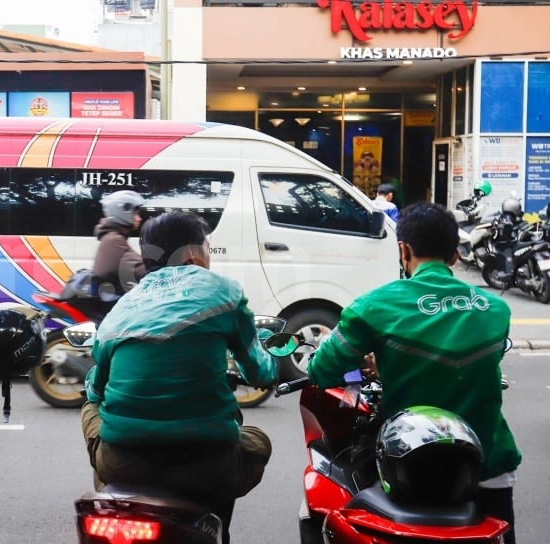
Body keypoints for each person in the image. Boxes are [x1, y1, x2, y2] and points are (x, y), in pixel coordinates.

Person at [307, 202, 521, 543]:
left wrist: (378, 363)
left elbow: (322, 370)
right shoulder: (496, 310)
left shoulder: (373, 306)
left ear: (403, 250)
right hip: (488, 461)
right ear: (455, 255)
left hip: (409, 465)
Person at [81, 210, 277, 543]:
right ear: (192, 254)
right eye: (208, 246)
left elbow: (96, 389)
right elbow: (261, 372)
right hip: (207, 465)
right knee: (257, 440)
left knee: (91, 408)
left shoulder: (122, 308)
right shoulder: (224, 291)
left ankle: (110, 491)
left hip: (123, 462)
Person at [91, 190, 147, 298]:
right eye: (135, 214)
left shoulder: (113, 237)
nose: (139, 218)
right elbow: (139, 268)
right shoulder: (114, 240)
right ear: (123, 213)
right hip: (114, 302)